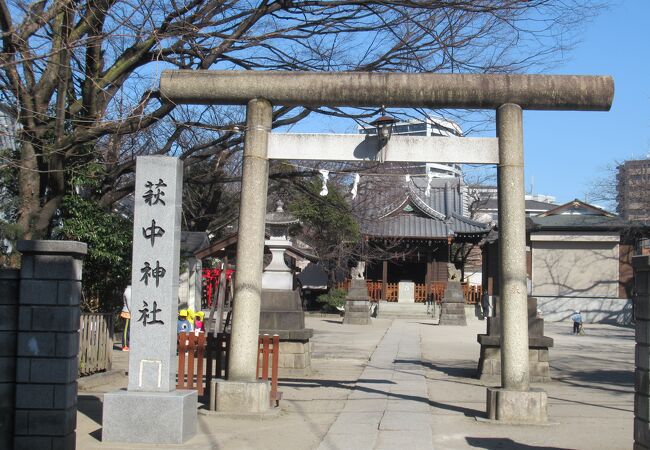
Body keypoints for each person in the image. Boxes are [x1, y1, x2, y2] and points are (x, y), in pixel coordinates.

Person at [120, 285, 131, 351]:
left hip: (129, 313)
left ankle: (128, 345)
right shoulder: (128, 291)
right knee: (126, 330)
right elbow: (129, 303)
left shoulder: (129, 290)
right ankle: (125, 346)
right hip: (127, 313)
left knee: (128, 330)